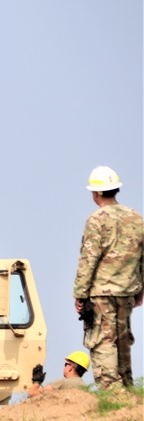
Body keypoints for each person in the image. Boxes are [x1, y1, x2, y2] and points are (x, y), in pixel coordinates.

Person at [73, 166, 144, 390]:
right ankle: (127, 390)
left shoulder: (96, 219)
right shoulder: (136, 217)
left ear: (96, 193)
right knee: (122, 342)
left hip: (101, 293)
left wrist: (80, 294)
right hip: (127, 291)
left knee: (103, 342)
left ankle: (111, 392)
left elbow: (89, 259)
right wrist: (140, 289)